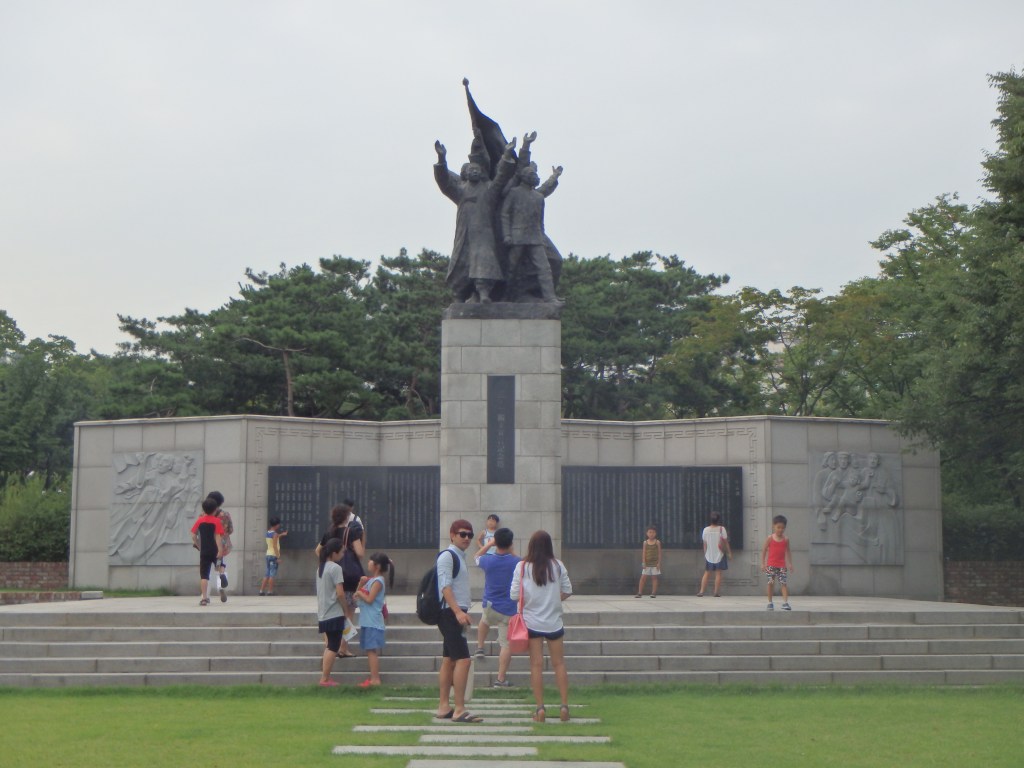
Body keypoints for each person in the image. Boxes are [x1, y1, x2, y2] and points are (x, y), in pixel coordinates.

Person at [434, 134, 517, 304]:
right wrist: (442, 159)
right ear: (465, 173)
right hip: (465, 233)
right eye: (471, 169)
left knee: (485, 262)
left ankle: (484, 293)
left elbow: (501, 177)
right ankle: (458, 295)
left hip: (484, 234)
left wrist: (507, 155)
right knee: (461, 264)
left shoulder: (489, 190)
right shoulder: (460, 190)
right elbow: (444, 182)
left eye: (477, 170)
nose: (474, 171)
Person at [510, 530, 573, 723]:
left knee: (536, 665)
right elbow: (568, 590)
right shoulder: (558, 565)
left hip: (531, 622)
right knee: (559, 664)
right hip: (554, 622)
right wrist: (554, 600)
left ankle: (540, 709)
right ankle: (563, 707)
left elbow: (514, 595)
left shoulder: (522, 567)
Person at [500, 133, 564, 304]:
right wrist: (526, 146)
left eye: (536, 174)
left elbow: (541, 219)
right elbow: (505, 214)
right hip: (517, 236)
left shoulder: (538, 197)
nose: (536, 176)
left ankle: (549, 296)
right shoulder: (513, 193)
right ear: (524, 176)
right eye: (533, 174)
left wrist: (555, 177)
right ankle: (505, 295)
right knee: (511, 268)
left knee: (545, 267)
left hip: (536, 237)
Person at [434, 518, 483, 723]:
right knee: (463, 659)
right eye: (462, 534)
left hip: (453, 612)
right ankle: (459, 709)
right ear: (452, 535)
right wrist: (458, 612)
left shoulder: (459, 557)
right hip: (450, 613)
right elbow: (445, 587)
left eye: (470, 535)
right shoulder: (448, 556)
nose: (467, 538)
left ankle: (444, 706)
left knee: (449, 659)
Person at [473, 527, 520, 686]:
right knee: (505, 645)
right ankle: (500, 679)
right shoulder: (517, 562)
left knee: (484, 620)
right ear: (511, 543)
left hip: (490, 605)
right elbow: (522, 562)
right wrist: (512, 551)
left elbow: (476, 556)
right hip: (508, 609)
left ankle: (480, 646)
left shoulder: (488, 560)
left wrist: (489, 544)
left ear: (496, 542)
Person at [316, 503, 365, 657]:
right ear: (346, 517)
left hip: (330, 578)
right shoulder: (351, 532)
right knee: (348, 612)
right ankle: (343, 648)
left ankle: (329, 645)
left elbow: (318, 550)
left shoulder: (328, 532)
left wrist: (329, 563)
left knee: (330, 611)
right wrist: (364, 539)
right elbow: (360, 552)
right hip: (349, 577)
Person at [354, 552, 394, 688]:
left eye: (371, 561)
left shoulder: (378, 581)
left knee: (371, 651)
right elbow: (356, 596)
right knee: (369, 650)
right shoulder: (372, 580)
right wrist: (360, 584)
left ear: (377, 566)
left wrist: (360, 593)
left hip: (373, 621)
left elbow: (370, 599)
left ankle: (375, 679)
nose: (368, 563)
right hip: (367, 620)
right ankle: (373, 678)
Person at [316, 538, 347, 687]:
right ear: (334, 553)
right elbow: (340, 593)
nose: (342, 555)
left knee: (330, 645)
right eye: (341, 552)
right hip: (334, 612)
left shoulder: (320, 568)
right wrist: (346, 609)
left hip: (323, 612)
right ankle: (325, 679)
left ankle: (325, 677)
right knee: (333, 647)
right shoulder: (335, 568)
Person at [190, 496, 225, 606]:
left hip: (204, 551)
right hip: (215, 550)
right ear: (215, 510)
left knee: (204, 575)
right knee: (221, 564)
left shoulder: (200, 520)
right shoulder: (217, 521)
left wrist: (198, 545)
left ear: (204, 509)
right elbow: (218, 537)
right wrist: (220, 550)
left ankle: (204, 598)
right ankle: (222, 574)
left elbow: (193, 535)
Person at [761, 515, 794, 610]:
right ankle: (770, 602)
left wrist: (790, 563)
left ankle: (785, 602)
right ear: (774, 526)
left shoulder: (786, 539)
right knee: (770, 583)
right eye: (778, 527)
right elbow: (764, 550)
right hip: (771, 565)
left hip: (782, 565)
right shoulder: (770, 538)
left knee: (783, 583)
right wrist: (763, 563)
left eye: (782, 528)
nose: (780, 530)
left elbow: (788, 551)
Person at [698, 512, 729, 597]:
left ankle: (701, 591)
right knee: (718, 573)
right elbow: (725, 542)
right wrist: (729, 552)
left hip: (709, 554)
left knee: (707, 573)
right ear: (718, 520)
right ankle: (716, 592)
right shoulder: (722, 529)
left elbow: (705, 544)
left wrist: (705, 554)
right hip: (720, 554)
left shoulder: (705, 530)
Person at [207, 491, 231, 602]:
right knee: (220, 564)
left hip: (208, 544)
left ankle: (205, 595)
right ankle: (221, 586)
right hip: (221, 544)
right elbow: (230, 530)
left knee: (205, 570)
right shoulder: (225, 515)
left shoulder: (203, 515)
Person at [259, 517, 287, 596]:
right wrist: (278, 557)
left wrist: (281, 534)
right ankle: (270, 591)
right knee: (272, 574)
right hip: (273, 555)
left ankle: (261, 591)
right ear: (276, 525)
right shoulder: (274, 534)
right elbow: (275, 546)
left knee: (267, 574)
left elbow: (275, 537)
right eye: (278, 524)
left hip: (268, 554)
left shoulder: (268, 533)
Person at [635, 526, 662, 598]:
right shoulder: (645, 542)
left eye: (653, 532)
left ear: (655, 533)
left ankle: (653, 593)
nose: (651, 534)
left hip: (655, 563)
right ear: (647, 533)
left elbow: (659, 553)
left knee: (654, 578)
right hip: (647, 563)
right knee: (643, 577)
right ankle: (640, 592)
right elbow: (643, 553)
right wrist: (643, 562)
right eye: (650, 532)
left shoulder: (657, 542)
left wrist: (659, 563)